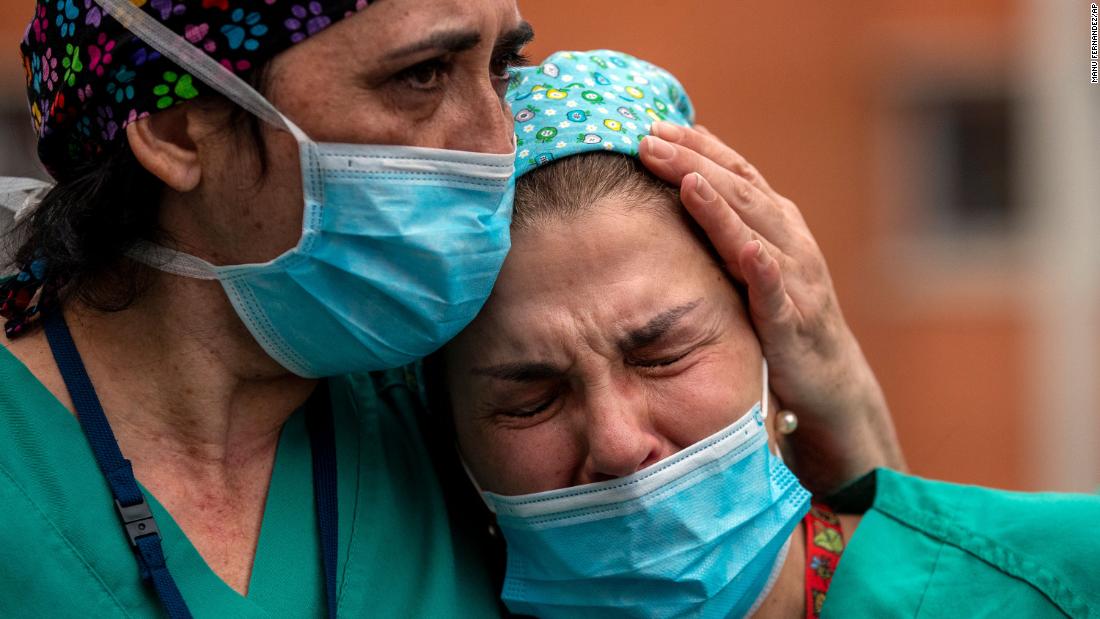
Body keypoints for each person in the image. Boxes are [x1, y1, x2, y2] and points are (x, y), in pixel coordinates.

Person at [0, 2, 901, 617]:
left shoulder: (455, 409)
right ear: (177, 130)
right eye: (423, 75)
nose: (497, 136)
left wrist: (840, 401)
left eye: (502, 65)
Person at [435, 50, 1100, 618]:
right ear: (450, 435)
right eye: (532, 400)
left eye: (662, 354)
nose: (615, 442)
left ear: (769, 339)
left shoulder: (1064, 579)